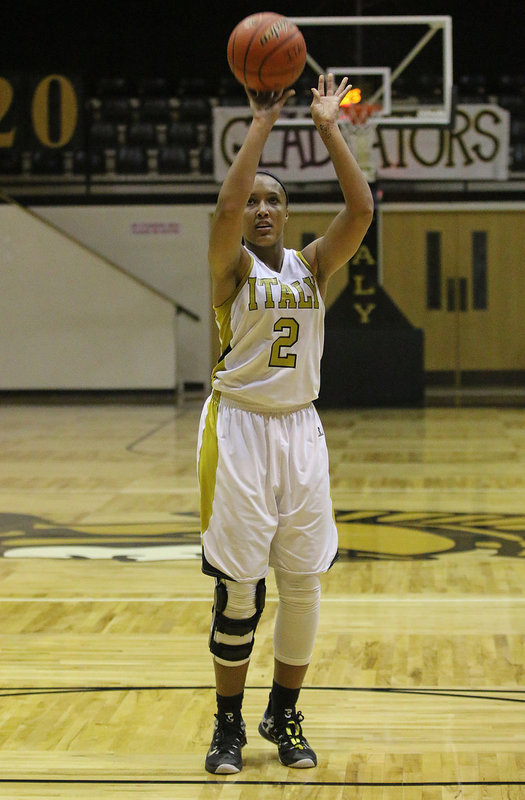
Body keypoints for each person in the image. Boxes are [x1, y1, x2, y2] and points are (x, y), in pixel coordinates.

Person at [197, 73, 374, 774]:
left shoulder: (311, 264)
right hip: (237, 430)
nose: (262, 207)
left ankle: (284, 711)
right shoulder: (229, 268)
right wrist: (264, 122)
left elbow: (359, 210)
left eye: (275, 199)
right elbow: (222, 205)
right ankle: (228, 727)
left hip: (300, 431)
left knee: (303, 583)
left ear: (288, 212)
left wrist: (329, 127)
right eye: (255, 201)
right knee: (240, 589)